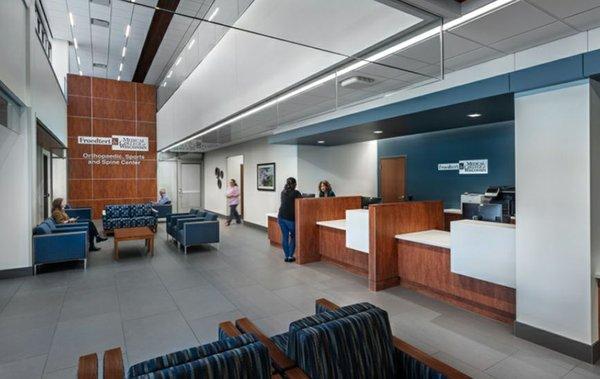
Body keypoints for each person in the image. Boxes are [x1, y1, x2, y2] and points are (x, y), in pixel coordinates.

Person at [278, 177, 302, 262]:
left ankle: (286, 256)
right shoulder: (296, 193)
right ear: (295, 184)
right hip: (290, 219)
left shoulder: (283, 192)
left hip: (281, 217)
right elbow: (301, 203)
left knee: (285, 236)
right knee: (293, 236)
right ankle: (290, 257)